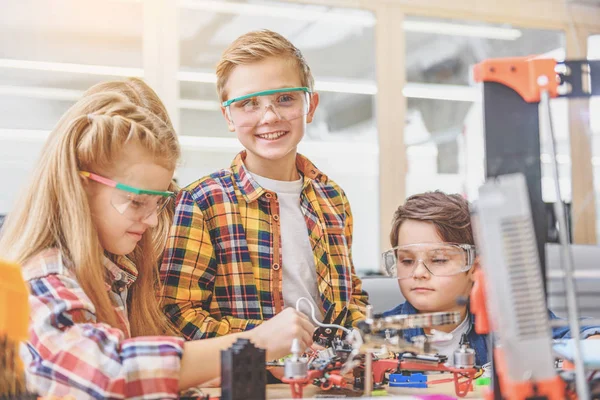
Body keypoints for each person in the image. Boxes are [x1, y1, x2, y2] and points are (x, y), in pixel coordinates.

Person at [0, 78, 312, 398]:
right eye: (137, 202)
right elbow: (107, 374)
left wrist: (187, 382)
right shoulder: (44, 278)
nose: (151, 221)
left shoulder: (117, 276)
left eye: (158, 202)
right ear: (79, 186)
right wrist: (253, 344)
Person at [160, 30, 368, 343]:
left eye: (285, 98)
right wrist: (266, 339)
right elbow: (178, 315)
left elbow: (349, 299)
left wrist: (360, 334)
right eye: (249, 104)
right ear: (228, 116)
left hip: (328, 379)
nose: (269, 116)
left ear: (310, 106)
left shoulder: (332, 198)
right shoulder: (201, 202)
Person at [382, 191, 600, 365]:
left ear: (475, 267)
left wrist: (589, 344)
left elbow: (579, 332)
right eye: (407, 261)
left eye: (438, 260)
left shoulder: (504, 321)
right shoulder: (380, 335)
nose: (418, 273)